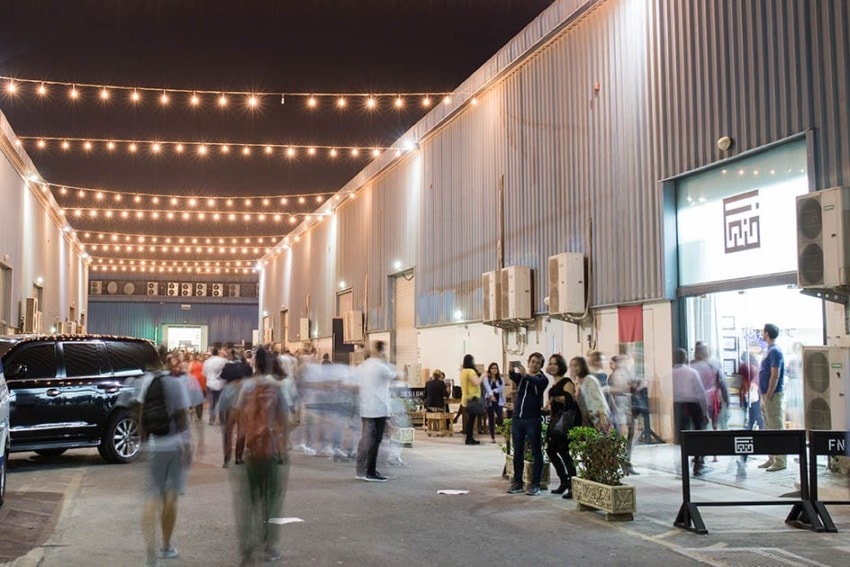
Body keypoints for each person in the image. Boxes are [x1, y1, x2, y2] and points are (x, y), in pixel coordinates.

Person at [234, 347, 289, 565]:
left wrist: (237, 452)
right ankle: (269, 546)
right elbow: (284, 421)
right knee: (271, 502)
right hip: (272, 451)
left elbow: (240, 422)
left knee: (249, 502)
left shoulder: (246, 387)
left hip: (252, 451)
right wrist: (282, 450)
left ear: (255, 364)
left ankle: (247, 551)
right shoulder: (277, 388)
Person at [140, 355, 192, 567]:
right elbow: (182, 416)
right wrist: (186, 444)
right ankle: (166, 546)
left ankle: (150, 554)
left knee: (152, 497)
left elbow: (141, 415)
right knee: (171, 497)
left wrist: (144, 443)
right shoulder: (176, 383)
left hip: (154, 445)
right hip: (173, 445)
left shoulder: (147, 383)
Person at [506, 352, 548, 496]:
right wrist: (511, 369)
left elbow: (535, 382)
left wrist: (525, 375)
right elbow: (513, 376)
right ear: (528, 362)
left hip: (532, 420)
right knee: (517, 451)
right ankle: (517, 482)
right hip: (518, 419)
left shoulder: (542, 379)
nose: (534, 364)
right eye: (532, 361)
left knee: (536, 451)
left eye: (538, 362)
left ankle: (535, 484)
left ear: (541, 366)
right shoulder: (523, 378)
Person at [355, 341, 395, 482]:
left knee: (365, 440)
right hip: (379, 408)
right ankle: (370, 472)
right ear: (381, 351)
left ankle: (360, 471)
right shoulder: (382, 367)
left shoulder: (362, 366)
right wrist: (385, 359)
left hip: (365, 407)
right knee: (375, 441)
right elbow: (393, 375)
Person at [544, 354, 578, 499]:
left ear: (561, 366)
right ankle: (564, 481)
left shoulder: (567, 382)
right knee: (551, 451)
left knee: (564, 452)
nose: (552, 366)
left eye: (555, 364)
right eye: (550, 363)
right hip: (555, 422)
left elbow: (571, 400)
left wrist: (555, 398)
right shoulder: (553, 385)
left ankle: (573, 485)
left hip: (566, 423)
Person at [671, 348, 708, 476]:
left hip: (678, 405)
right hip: (693, 405)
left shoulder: (670, 374)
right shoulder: (691, 372)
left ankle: (681, 466)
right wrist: (705, 411)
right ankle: (698, 463)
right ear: (685, 358)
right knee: (697, 435)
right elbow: (701, 392)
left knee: (681, 438)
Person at [759, 323, 787, 472]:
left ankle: (780, 460)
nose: (761, 334)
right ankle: (771, 457)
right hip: (765, 394)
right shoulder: (768, 351)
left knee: (775, 426)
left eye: (763, 331)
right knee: (768, 427)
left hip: (773, 395)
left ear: (767, 333)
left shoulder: (775, 351)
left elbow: (775, 374)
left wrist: (769, 393)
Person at [574, 356, 611, 434]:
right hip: (587, 421)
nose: (573, 368)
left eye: (576, 365)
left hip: (596, 420)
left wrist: (602, 416)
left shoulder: (589, 380)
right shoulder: (579, 383)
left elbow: (598, 398)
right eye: (571, 366)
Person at [459, 354, 484, 445]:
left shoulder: (463, 371)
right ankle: (469, 438)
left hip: (465, 398)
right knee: (471, 420)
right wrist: (482, 376)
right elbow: (476, 382)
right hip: (473, 398)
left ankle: (469, 437)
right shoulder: (470, 371)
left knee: (470, 419)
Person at [481, 362, 506, 444]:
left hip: (499, 401)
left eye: (495, 368)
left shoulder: (501, 379)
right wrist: (491, 395)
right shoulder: (486, 378)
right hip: (490, 400)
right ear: (489, 369)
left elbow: (501, 388)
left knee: (500, 417)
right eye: (492, 368)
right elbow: (487, 387)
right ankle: (492, 437)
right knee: (491, 418)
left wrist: (494, 391)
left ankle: (504, 434)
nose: (494, 370)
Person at [202, 347, 227, 425]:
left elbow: (204, 373)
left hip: (210, 384)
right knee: (221, 402)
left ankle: (211, 420)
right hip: (222, 384)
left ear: (212, 353)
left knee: (212, 403)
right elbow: (226, 372)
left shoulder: (207, 362)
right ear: (218, 353)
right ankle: (222, 419)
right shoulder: (223, 361)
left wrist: (210, 377)